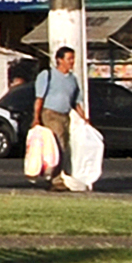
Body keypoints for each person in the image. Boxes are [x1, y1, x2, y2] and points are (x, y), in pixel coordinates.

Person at [34, 46, 84, 188]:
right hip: (50, 114)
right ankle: (56, 180)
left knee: (66, 147)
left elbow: (76, 102)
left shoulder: (72, 79)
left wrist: (84, 118)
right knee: (58, 145)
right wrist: (36, 118)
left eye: (73, 58)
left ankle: (62, 175)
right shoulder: (47, 75)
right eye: (69, 59)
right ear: (59, 60)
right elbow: (39, 98)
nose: (72, 62)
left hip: (65, 115)